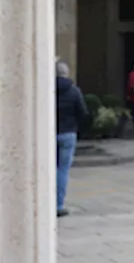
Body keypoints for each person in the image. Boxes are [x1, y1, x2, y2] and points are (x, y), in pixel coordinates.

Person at [55, 61, 88, 217]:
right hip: (68, 133)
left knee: (49, 169)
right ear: (66, 74)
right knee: (63, 170)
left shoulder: (48, 90)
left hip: (51, 133)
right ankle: (59, 204)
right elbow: (82, 112)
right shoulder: (74, 91)